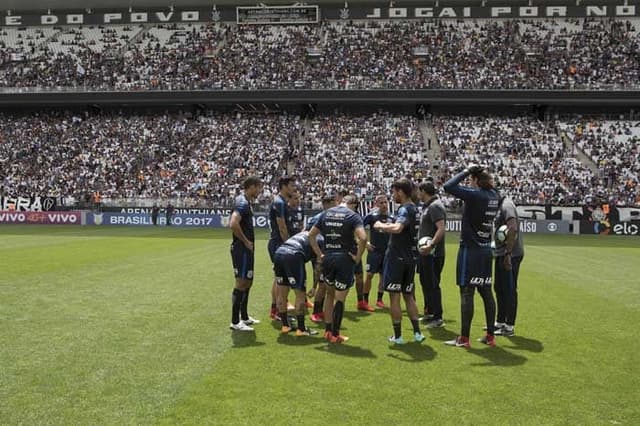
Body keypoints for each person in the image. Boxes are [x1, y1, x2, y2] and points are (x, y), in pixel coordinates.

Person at [443, 165, 499, 348]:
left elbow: (448, 186)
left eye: (471, 180)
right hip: (485, 250)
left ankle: (464, 339)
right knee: (486, 292)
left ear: (475, 181)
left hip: (470, 250)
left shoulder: (476, 195)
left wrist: (467, 170)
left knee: (467, 292)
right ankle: (490, 336)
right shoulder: (494, 196)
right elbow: (490, 185)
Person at [309, 194, 366, 344]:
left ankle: (327, 331)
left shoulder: (326, 214)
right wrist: (358, 257)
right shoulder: (353, 216)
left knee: (329, 294)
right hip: (344, 260)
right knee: (340, 299)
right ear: (351, 204)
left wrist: (320, 254)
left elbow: (311, 235)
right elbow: (364, 238)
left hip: (328, 258)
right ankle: (335, 334)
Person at [373, 178, 425, 344]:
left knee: (394, 298)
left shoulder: (404, 209)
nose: (393, 195)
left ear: (401, 192)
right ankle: (417, 333)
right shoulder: (415, 209)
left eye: (394, 192)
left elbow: (398, 228)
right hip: (411, 258)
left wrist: (381, 225)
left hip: (397, 259)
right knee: (409, 296)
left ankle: (398, 336)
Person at [229, 176, 263, 331]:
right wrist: (245, 241)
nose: (260, 191)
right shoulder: (242, 203)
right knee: (241, 282)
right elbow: (233, 223)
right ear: (251, 187)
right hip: (241, 249)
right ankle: (235, 322)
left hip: (246, 249)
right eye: (259, 187)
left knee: (248, 281)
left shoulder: (246, 202)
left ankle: (244, 316)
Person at [274, 231, 323, 337]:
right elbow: (318, 266)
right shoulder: (321, 240)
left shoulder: (306, 232)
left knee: (282, 293)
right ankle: (301, 329)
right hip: (294, 256)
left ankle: (285, 326)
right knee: (300, 294)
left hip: (278, 253)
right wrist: (314, 287)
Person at [493, 196, 524, 337]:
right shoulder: (500, 206)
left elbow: (513, 228)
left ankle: (509, 326)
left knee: (509, 289)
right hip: (502, 253)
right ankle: (500, 322)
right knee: (499, 287)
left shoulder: (507, 206)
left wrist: (508, 253)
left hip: (511, 254)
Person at [417, 180, 447, 328]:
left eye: (419, 191)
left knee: (433, 285)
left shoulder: (435, 206)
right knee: (425, 282)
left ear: (423, 191)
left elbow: (441, 229)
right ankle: (429, 313)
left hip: (434, 254)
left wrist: (431, 245)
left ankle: (438, 317)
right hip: (425, 253)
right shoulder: (428, 206)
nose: (417, 194)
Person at [305, 192, 338, 323]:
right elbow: (307, 234)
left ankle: (321, 310)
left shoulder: (331, 217)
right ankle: (316, 312)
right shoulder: (319, 218)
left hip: (329, 253)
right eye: (333, 204)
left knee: (327, 284)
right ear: (326, 205)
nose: (335, 206)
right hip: (320, 253)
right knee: (323, 284)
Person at [268, 176, 297, 320]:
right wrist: (288, 244)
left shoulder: (281, 201)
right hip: (279, 244)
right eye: (292, 185)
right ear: (284, 186)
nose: (294, 188)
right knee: (282, 280)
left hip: (277, 243)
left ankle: (275, 309)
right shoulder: (279, 202)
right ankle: (280, 310)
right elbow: (282, 226)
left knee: (278, 278)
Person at [362, 194, 392, 310]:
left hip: (387, 252)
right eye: (381, 203)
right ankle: (365, 300)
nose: (384, 205)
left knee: (383, 276)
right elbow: (358, 228)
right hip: (374, 251)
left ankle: (379, 300)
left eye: (385, 202)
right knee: (369, 275)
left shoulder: (392, 217)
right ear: (376, 204)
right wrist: (366, 243)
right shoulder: (372, 216)